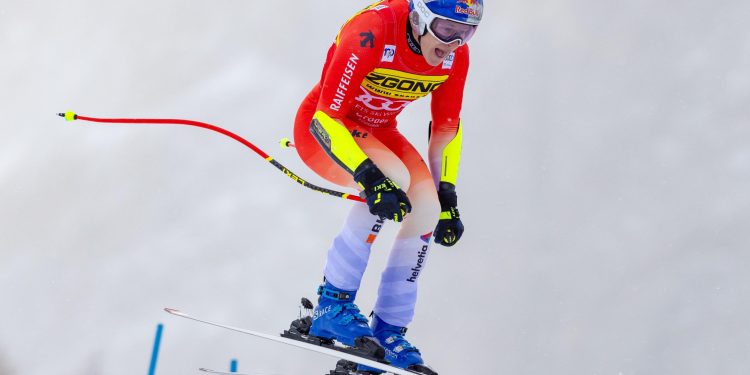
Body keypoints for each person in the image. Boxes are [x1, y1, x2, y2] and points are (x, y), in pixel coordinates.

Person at [292, 0, 482, 372]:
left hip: (379, 133)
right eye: (446, 29)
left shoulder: (454, 57)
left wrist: (448, 195)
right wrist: (369, 176)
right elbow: (325, 118)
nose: (454, 43)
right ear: (419, 17)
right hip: (324, 131)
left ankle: (387, 332)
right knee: (393, 177)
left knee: (426, 207)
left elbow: (446, 129)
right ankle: (333, 304)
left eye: (466, 32)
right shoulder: (372, 30)